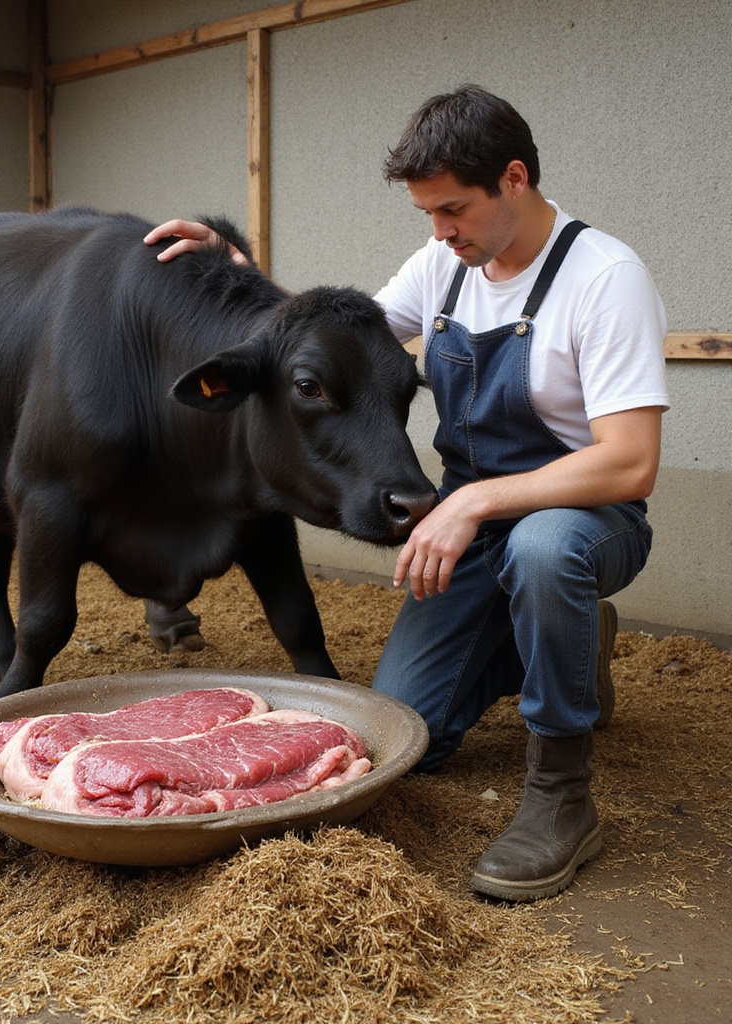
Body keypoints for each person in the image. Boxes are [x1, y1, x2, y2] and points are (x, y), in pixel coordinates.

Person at [143, 83, 669, 902]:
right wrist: (236, 272)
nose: (440, 232)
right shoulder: (444, 267)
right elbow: (328, 347)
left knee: (542, 550)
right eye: (428, 213)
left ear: (516, 179)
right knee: (402, 737)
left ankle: (562, 795)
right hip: (478, 525)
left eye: (453, 209)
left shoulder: (603, 279)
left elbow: (631, 463)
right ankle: (566, 644)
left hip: (585, 522)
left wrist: (468, 502)